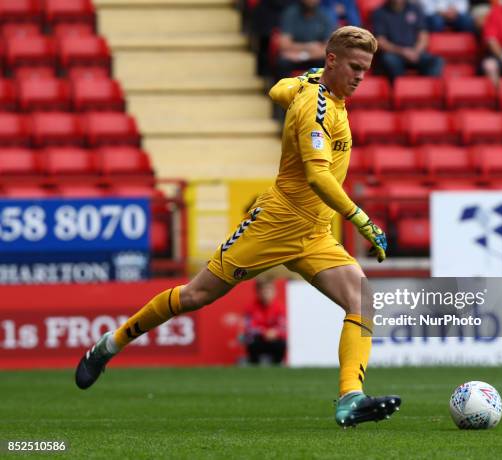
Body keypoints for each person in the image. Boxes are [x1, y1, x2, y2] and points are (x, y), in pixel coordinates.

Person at [75, 26, 401, 429]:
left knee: (362, 301)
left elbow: (277, 89)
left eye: (365, 69)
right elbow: (318, 177)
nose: (360, 77)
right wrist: (362, 220)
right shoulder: (315, 109)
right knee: (195, 296)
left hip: (314, 233)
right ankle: (109, 345)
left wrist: (303, 79)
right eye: (354, 67)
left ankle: (350, 397)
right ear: (332, 60)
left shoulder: (320, 89)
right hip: (274, 225)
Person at [372, 0, 444, 80]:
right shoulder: (380, 12)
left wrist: (416, 51)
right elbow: (380, 41)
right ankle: (400, 89)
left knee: (437, 61)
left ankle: (427, 89)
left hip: (415, 52)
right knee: (389, 60)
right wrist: (403, 52)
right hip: (394, 54)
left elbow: (423, 36)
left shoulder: (415, 9)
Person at [275, 0, 334, 80]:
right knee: (282, 63)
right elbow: (284, 45)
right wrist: (309, 47)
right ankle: (282, 91)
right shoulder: (290, 13)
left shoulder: (325, 15)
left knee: (329, 62)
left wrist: (305, 56)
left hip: (315, 57)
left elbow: (328, 48)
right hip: (294, 57)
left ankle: (322, 91)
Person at [243, 279, 287, 365]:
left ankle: (277, 367)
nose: (266, 293)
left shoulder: (281, 308)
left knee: (282, 344)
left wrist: (275, 332)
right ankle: (254, 367)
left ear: (275, 291)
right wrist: (264, 332)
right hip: (258, 340)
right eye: (263, 290)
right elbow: (249, 328)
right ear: (258, 292)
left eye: (269, 289)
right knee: (251, 342)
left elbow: (283, 327)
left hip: (275, 340)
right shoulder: (250, 308)